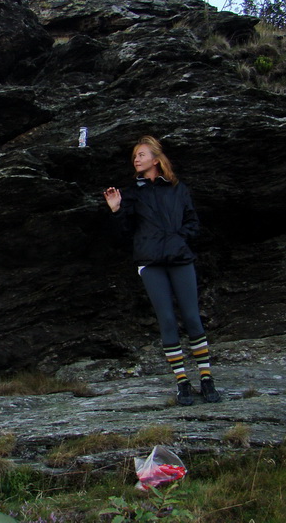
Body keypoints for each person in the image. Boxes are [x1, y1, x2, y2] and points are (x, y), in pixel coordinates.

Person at [103, 136, 220, 405]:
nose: (136, 159)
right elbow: (124, 232)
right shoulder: (132, 193)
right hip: (150, 262)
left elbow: (193, 222)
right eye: (135, 155)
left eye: (141, 154)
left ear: (156, 159)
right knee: (167, 319)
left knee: (192, 317)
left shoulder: (178, 189)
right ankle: (182, 383)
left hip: (180, 259)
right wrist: (117, 210)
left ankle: (206, 379)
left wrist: (179, 238)